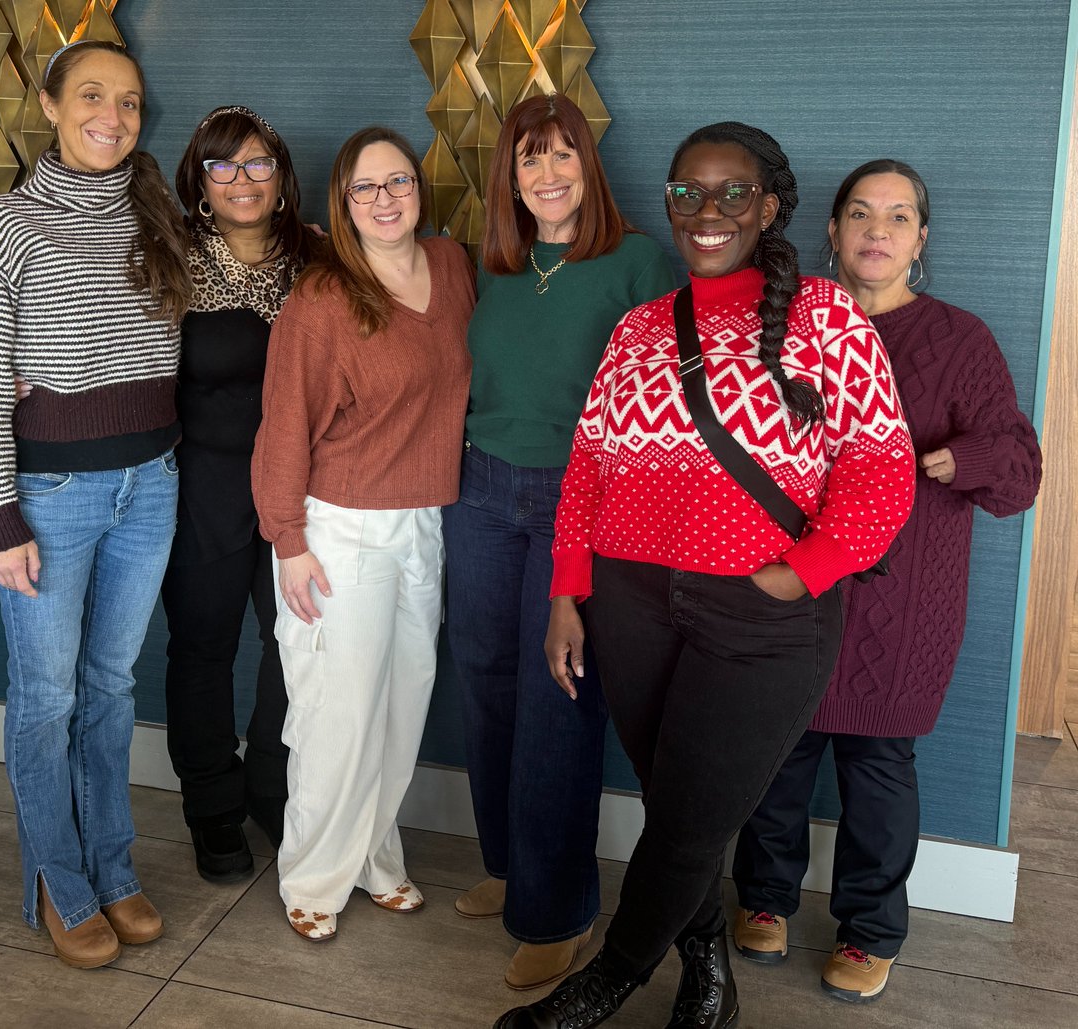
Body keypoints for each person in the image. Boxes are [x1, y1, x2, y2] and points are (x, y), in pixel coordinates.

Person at [497, 122, 915, 1029]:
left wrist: (803, 573)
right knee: (677, 807)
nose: (707, 211)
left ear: (768, 207)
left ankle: (605, 981)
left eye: (733, 192)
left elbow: (881, 468)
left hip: (760, 613)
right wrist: (567, 592)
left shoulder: (826, 316)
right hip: (631, 602)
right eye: (688, 193)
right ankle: (707, 974)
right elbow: (589, 465)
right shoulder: (639, 328)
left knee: (690, 816)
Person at [731, 159, 1042, 1004]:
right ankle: (764, 897)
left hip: (903, 603)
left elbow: (1020, 476)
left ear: (921, 238)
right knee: (775, 756)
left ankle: (869, 929)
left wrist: (961, 457)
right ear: (832, 232)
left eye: (899, 216)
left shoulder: (961, 341)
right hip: (791, 589)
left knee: (878, 769)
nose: (878, 229)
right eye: (861, 213)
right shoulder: (786, 325)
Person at [0, 41, 190, 969]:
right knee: (47, 697)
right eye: (91, 96)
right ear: (48, 105)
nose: (111, 118)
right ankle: (58, 877)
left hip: (152, 485)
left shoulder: (157, 216)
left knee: (112, 687)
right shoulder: (0, 223)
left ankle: (113, 866)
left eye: (129, 101)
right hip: (50, 496)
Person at [442, 94, 675, 991]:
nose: (547, 173)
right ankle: (508, 866)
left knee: (557, 695)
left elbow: (666, 404)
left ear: (588, 166)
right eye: (529, 157)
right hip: (480, 489)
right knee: (484, 679)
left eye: (563, 154)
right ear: (510, 175)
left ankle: (556, 910)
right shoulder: (493, 265)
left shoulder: (637, 262)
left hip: (580, 501)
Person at [251, 126, 475, 942]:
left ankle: (375, 856)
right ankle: (313, 874)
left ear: (420, 188)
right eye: (366, 187)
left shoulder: (452, 267)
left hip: (425, 521)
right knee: (337, 714)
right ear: (343, 204)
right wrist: (288, 540)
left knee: (401, 704)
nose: (386, 199)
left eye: (399, 181)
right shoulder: (322, 299)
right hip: (338, 529)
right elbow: (283, 425)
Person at [162, 106, 317, 882]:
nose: (242, 180)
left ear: (281, 177)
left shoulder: (321, 259)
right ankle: (212, 805)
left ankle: (271, 784)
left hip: (302, 485)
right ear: (200, 181)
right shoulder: (168, 261)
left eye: (258, 163)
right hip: (206, 485)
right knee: (203, 645)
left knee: (298, 648)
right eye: (222, 165)